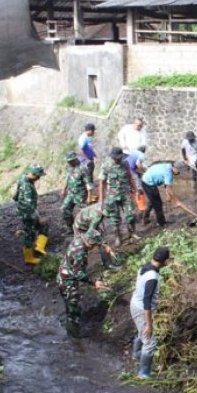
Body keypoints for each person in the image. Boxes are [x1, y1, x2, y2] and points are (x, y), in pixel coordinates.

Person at [130, 246, 172, 379]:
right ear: (164, 261)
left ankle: (136, 354)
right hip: (141, 308)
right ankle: (144, 373)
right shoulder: (152, 277)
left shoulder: (146, 266)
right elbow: (147, 302)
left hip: (135, 303)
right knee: (149, 342)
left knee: (141, 332)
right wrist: (149, 324)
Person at [56, 231, 106, 338]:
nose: (94, 248)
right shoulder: (80, 252)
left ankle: (70, 330)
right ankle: (74, 337)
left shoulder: (78, 241)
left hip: (63, 277)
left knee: (69, 307)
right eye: (94, 245)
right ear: (89, 243)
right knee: (73, 311)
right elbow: (78, 273)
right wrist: (93, 282)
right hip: (68, 283)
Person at [141, 160, 197, 227]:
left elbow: (166, 184)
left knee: (152, 201)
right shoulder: (169, 173)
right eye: (179, 171)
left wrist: (168, 196)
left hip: (146, 178)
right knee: (158, 204)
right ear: (175, 168)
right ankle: (162, 223)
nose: (179, 173)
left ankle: (145, 219)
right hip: (148, 183)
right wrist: (177, 201)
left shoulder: (168, 165)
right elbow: (169, 189)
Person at [99, 147, 138, 246]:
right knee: (115, 219)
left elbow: (130, 177)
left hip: (125, 194)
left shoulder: (125, 164)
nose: (118, 159)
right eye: (116, 158)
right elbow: (101, 182)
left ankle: (132, 235)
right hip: (112, 197)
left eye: (120, 158)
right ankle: (118, 237)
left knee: (131, 216)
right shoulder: (106, 166)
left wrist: (136, 190)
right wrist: (101, 199)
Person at [13, 164, 49, 265]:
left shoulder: (23, 179)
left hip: (24, 210)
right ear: (33, 174)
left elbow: (16, 196)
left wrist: (34, 201)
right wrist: (39, 217)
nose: (38, 178)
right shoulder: (27, 186)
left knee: (44, 226)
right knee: (30, 234)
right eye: (38, 176)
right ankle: (29, 258)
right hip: (28, 214)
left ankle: (39, 247)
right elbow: (29, 205)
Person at [73, 204, 121, 270]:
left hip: (88, 224)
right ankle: (78, 269)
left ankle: (107, 263)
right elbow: (92, 232)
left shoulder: (103, 205)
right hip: (80, 227)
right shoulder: (97, 216)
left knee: (102, 240)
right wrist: (104, 244)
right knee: (81, 246)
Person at [60, 152, 94, 233]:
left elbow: (88, 184)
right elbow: (67, 179)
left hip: (81, 194)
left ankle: (89, 229)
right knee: (64, 209)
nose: (69, 163)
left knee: (84, 212)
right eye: (68, 161)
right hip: (71, 194)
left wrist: (89, 197)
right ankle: (70, 228)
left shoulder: (83, 169)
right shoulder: (69, 168)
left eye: (70, 161)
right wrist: (63, 189)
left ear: (75, 159)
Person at [77, 123, 97, 194]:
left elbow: (88, 147)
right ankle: (87, 195)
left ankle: (90, 194)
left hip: (90, 160)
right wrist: (87, 159)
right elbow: (80, 150)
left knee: (90, 176)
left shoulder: (88, 137)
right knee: (87, 178)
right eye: (93, 131)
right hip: (85, 161)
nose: (94, 132)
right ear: (89, 131)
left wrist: (93, 154)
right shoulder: (83, 138)